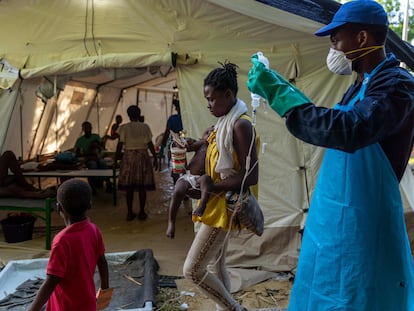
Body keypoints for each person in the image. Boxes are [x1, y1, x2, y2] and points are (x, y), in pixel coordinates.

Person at [247, 1, 414, 310]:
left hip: (366, 222)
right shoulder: (358, 86)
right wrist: (282, 88)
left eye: (336, 38)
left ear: (362, 38)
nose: (332, 46)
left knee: (361, 294)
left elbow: (349, 128)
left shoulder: (396, 87)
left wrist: (281, 94)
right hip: (334, 220)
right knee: (325, 289)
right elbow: (331, 124)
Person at [182, 61, 259, 311]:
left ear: (228, 95)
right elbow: (202, 166)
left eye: (212, 99)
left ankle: (235, 309)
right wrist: (199, 145)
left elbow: (251, 175)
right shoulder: (221, 124)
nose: (208, 105)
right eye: (206, 99)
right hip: (216, 202)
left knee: (193, 270)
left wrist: (210, 189)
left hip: (223, 208)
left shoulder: (240, 125)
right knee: (216, 265)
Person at [28, 178, 111, 311]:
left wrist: (32, 309)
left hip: (65, 306)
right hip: (87, 302)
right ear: (90, 205)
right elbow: (102, 262)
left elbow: (51, 282)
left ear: (59, 207)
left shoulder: (61, 241)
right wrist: (105, 290)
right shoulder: (93, 230)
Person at [166, 125, 214, 239]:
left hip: (201, 178)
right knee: (178, 191)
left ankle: (202, 204)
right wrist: (185, 142)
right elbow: (187, 146)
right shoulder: (202, 143)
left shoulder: (217, 148)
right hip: (189, 176)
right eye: (208, 132)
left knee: (206, 180)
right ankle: (171, 222)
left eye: (213, 133)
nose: (210, 134)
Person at [116, 105, 158, 221]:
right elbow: (149, 143)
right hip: (142, 156)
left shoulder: (123, 127)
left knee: (129, 186)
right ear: (139, 114)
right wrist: (155, 157)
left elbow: (120, 144)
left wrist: (116, 159)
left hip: (129, 157)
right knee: (142, 186)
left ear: (128, 115)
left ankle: (129, 213)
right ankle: (142, 212)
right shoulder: (145, 127)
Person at [75, 121, 112, 194]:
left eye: (89, 128)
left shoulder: (96, 136)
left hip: (98, 157)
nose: (88, 129)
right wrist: (89, 154)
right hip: (89, 158)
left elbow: (101, 147)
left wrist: (97, 149)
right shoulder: (80, 140)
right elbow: (78, 154)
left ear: (91, 128)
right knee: (92, 165)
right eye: (86, 128)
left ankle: (108, 184)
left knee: (103, 163)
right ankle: (92, 187)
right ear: (83, 129)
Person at [161, 97, 184, 183]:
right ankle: (185, 189)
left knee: (176, 168)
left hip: (176, 145)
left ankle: (177, 187)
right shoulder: (188, 118)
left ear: (177, 108)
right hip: (188, 144)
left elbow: (167, 132)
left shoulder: (172, 119)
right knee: (186, 167)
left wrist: (163, 144)